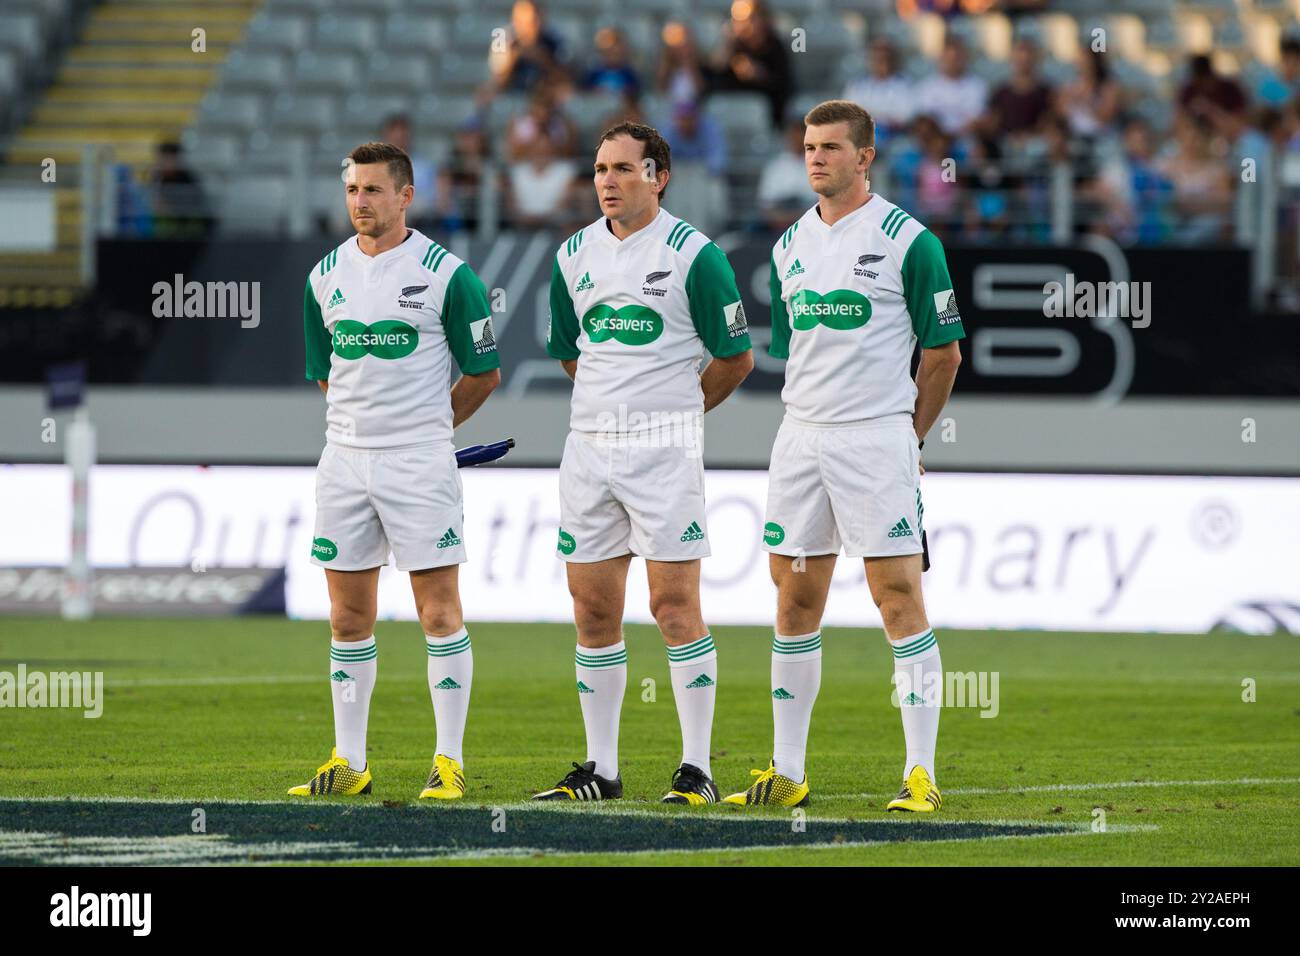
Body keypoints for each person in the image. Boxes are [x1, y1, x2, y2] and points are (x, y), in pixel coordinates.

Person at [723, 100, 964, 812]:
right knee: (795, 599)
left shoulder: (907, 240)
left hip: (874, 438)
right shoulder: (789, 243)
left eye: (831, 147)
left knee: (897, 597)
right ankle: (788, 771)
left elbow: (943, 355)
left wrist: (909, 436)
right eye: (808, 146)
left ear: (866, 156)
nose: (815, 158)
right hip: (801, 438)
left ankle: (921, 773)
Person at [535, 122, 754, 805]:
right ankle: (601, 769)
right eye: (600, 169)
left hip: (664, 452)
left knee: (672, 605)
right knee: (592, 608)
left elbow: (736, 357)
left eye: (623, 169)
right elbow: (571, 352)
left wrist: (677, 414)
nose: (607, 181)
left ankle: (697, 769)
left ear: (657, 175)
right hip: (589, 448)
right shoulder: (572, 255)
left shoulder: (696, 255)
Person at [292, 142, 501, 799]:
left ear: (406, 196)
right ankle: (349, 761)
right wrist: (364, 432)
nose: (361, 201)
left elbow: (485, 371)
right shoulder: (323, 276)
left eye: (374, 190)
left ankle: (449, 760)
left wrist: (427, 431)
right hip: (344, 462)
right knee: (346, 617)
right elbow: (327, 373)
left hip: (419, 462)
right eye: (353, 189)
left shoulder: (447, 274)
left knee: (438, 612)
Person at [710, 0, 792, 127]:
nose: (741, 24)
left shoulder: (776, 46)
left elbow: (785, 86)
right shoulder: (731, 45)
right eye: (736, 19)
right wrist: (727, 45)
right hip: (732, 113)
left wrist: (761, 76)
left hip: (769, 120)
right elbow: (714, 76)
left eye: (748, 18)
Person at [916, 36, 988, 137]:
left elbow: (976, 120)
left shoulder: (977, 85)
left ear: (965, 58)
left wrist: (953, 134)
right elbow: (925, 119)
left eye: (957, 58)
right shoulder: (927, 86)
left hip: (965, 138)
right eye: (949, 58)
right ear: (941, 58)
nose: (952, 63)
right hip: (934, 139)